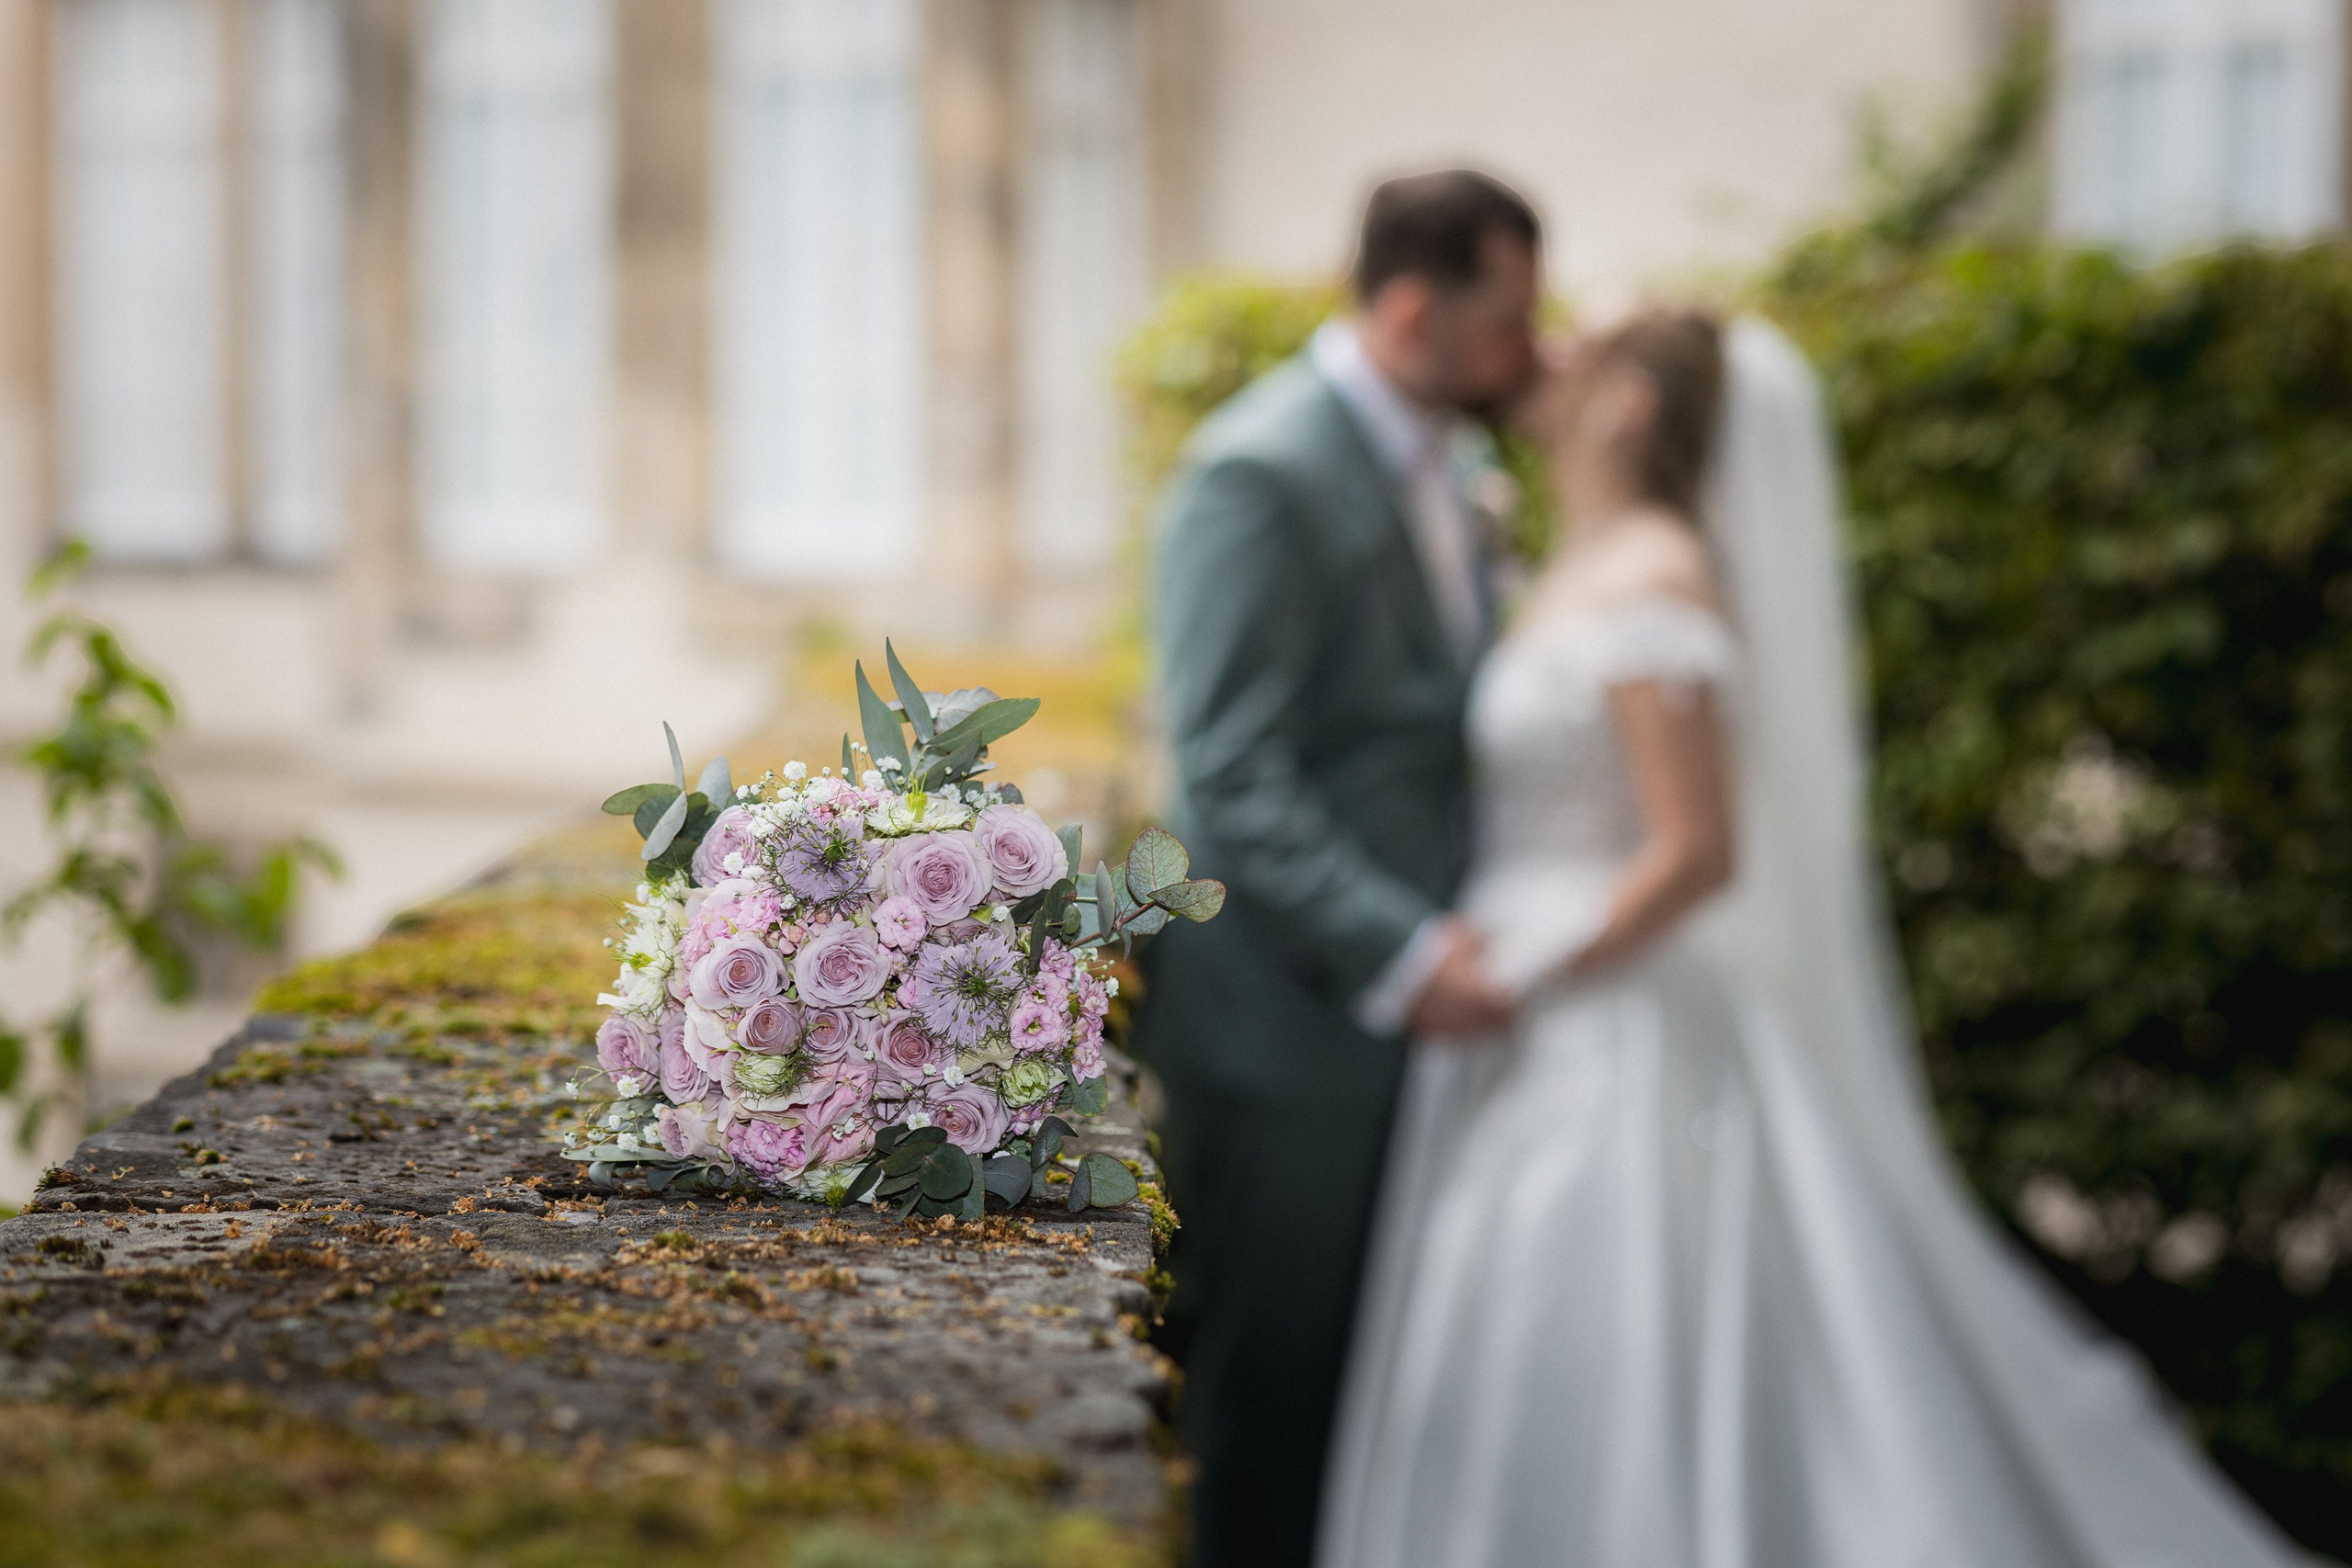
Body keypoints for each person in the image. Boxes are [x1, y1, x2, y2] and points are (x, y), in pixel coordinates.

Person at [1313, 309, 2315, 1567]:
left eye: (1585, 352)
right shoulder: (1581, 555)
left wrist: (1523, 968)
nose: (1548, 357)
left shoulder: (1656, 572)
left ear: (1630, 407)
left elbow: (1697, 852)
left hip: (1595, 1006)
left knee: (1604, 1318)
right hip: (1518, 1001)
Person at [1138, 169, 1542, 1568]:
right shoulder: (1257, 474)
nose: (1529, 352)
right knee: (1274, 1398)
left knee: (1373, 1408)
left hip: (1407, 1019)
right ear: (1417, 307)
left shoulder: (1461, 464)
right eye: (1509, 319)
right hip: (1287, 1028)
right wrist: (1407, 952)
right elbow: (1228, 775)